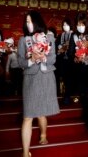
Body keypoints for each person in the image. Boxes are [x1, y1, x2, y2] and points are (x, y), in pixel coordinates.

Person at [17, 10, 60, 157]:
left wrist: (43, 57)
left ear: (37, 22)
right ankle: (25, 152)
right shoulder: (23, 40)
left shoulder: (49, 38)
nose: (28, 24)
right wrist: (32, 60)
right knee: (28, 115)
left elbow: (53, 59)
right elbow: (20, 62)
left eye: (30, 21)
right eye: (26, 21)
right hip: (30, 79)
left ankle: (43, 134)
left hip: (46, 77)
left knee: (42, 112)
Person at [67, 12, 88, 131]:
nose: (80, 26)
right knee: (83, 95)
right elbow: (70, 53)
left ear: (87, 24)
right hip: (79, 70)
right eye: (78, 24)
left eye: (82, 24)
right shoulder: (73, 36)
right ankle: (86, 113)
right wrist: (75, 58)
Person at [56, 18, 74, 104]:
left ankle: (68, 96)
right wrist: (61, 48)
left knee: (71, 78)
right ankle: (66, 95)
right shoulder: (61, 35)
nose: (65, 26)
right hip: (63, 60)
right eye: (63, 25)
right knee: (65, 78)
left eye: (66, 24)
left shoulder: (74, 35)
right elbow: (57, 47)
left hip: (72, 61)